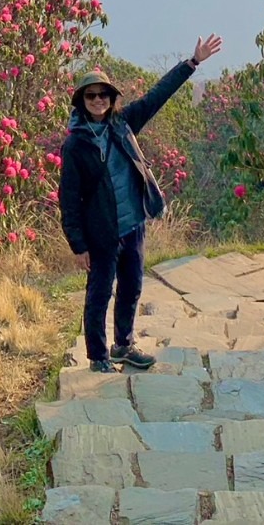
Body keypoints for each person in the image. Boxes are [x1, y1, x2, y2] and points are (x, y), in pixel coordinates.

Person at [58, 34, 223, 372]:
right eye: (91, 95)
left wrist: (192, 63)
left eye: (104, 94)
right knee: (99, 294)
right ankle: (98, 356)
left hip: (133, 225)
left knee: (131, 288)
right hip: (101, 233)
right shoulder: (75, 146)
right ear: (81, 100)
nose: (98, 100)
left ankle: (123, 345)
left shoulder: (122, 124)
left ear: (111, 98)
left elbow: (157, 96)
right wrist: (78, 244)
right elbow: (68, 199)